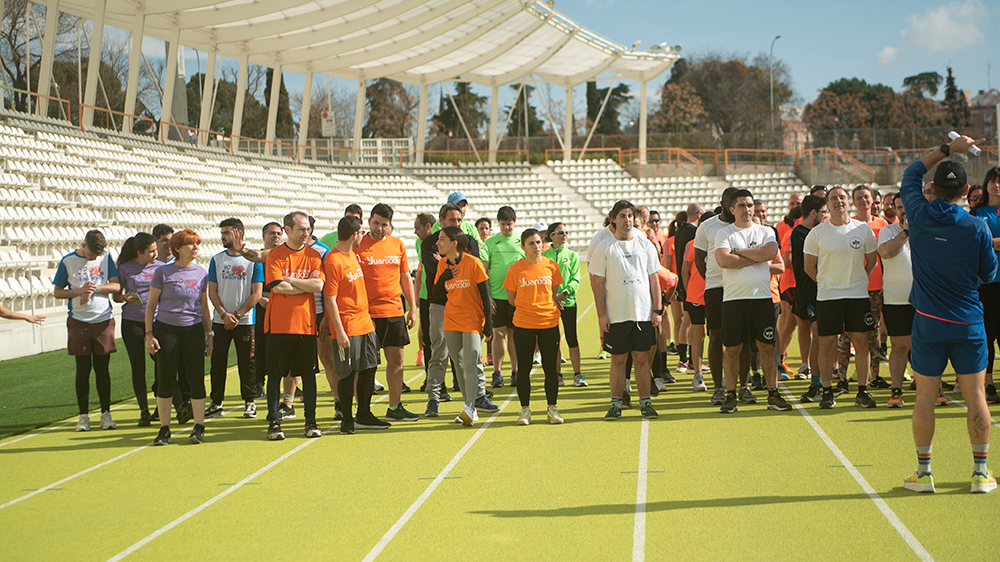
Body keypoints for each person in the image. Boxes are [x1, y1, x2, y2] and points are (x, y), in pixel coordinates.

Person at [899, 134, 996, 494]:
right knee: (976, 396)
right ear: (967, 189)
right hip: (969, 321)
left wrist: (946, 149)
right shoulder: (977, 227)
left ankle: (924, 474)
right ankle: (980, 473)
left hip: (929, 321)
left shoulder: (919, 213)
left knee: (925, 395)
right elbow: (988, 273)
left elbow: (910, 173)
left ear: (933, 189)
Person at [803, 186, 878, 409]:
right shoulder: (817, 233)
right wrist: (826, 284)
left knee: (862, 344)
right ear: (827, 203)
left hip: (857, 296)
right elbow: (809, 267)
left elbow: (872, 261)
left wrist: (858, 281)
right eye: (833, 198)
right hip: (828, 298)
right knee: (826, 344)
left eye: (842, 197)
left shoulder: (863, 229)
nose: (838, 201)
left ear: (849, 202)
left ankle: (862, 391)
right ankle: (827, 391)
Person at [714, 190, 790, 413]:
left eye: (750, 205)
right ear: (732, 209)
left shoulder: (766, 231)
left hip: (762, 299)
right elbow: (724, 260)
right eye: (741, 205)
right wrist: (756, 256)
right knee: (733, 349)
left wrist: (739, 253)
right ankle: (730, 396)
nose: (747, 209)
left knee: (767, 347)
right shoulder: (724, 233)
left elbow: (770, 253)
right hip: (734, 300)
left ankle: (773, 394)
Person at [422, 203, 496, 417]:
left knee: (473, 360)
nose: (457, 223)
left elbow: (480, 285)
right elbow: (435, 284)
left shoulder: (470, 251)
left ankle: (475, 401)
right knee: (446, 356)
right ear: (441, 220)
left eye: (459, 219)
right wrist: (445, 274)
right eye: (453, 219)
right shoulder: (433, 249)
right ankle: (439, 398)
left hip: (470, 312)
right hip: (445, 311)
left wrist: (488, 322)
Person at [590, 200, 661, 420]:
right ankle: (616, 404)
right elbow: (597, 283)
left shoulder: (645, 244)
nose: (627, 220)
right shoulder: (604, 246)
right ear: (613, 219)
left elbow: (654, 279)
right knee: (618, 360)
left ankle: (645, 403)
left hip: (642, 313)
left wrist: (657, 309)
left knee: (642, 359)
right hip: (616, 314)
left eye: (630, 216)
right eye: (622, 216)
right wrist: (602, 315)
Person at [144, 229, 211, 445]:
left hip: (193, 330)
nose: (195, 248)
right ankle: (164, 428)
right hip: (167, 330)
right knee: (165, 379)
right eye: (191, 244)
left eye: (197, 244)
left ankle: (199, 426)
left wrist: (209, 334)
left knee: (196, 378)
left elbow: (203, 306)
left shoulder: (201, 273)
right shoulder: (163, 273)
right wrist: (149, 334)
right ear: (178, 248)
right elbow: (151, 305)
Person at [263, 212, 325, 441]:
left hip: (306, 325)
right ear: (287, 230)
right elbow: (277, 287)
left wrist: (292, 280)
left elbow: (318, 284)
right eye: (300, 229)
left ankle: (311, 421)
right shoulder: (275, 255)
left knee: (308, 376)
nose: (305, 233)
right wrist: (304, 285)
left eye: (307, 228)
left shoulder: (313, 255)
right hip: (278, 325)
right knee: (275, 376)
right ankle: (274, 422)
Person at [354, 203, 419, 422]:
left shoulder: (398, 245)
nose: (379, 228)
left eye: (384, 224)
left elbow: (405, 278)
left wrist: (412, 308)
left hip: (394, 312)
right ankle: (363, 410)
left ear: (390, 225)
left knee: (397, 360)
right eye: (375, 223)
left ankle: (395, 406)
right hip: (367, 314)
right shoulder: (358, 245)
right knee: (366, 365)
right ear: (368, 221)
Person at [53, 230, 121, 432]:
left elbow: (116, 285)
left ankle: (105, 414)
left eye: (97, 256)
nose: (94, 259)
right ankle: (83, 416)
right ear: (84, 246)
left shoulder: (106, 257)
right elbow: (57, 292)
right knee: (83, 370)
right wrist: (80, 290)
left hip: (103, 320)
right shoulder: (68, 261)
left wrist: (95, 289)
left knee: (103, 370)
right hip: (78, 321)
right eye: (92, 255)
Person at [325, 215, 386, 433]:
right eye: (361, 232)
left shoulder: (352, 255)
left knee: (369, 368)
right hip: (348, 327)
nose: (363, 235)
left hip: (366, 324)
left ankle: (364, 414)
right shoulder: (333, 260)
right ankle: (347, 419)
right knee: (347, 374)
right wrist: (339, 332)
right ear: (354, 234)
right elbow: (330, 298)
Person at [695, 188, 753, 406]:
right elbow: (699, 258)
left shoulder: (747, 226)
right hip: (717, 289)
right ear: (724, 204)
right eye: (732, 203)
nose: (734, 207)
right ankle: (718, 387)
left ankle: (744, 386)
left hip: (741, 287)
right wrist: (712, 280)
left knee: (744, 339)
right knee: (717, 336)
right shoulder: (707, 226)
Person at [504, 228, 566, 425]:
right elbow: (512, 299)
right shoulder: (515, 269)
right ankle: (525, 411)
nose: (536, 246)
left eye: (538, 242)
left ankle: (552, 409)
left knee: (550, 368)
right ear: (523, 247)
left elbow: (553, 293)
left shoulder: (552, 266)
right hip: (523, 323)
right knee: (524, 368)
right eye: (531, 243)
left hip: (549, 322)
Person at [434, 226, 493, 426]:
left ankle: (470, 406)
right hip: (451, 319)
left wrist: (489, 325)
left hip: (472, 319)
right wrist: (444, 278)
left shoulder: (474, 263)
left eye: (442, 239)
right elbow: (437, 296)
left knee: (470, 362)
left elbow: (485, 295)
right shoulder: (442, 264)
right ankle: (468, 406)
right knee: (458, 364)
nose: (438, 243)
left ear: (454, 243)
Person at [206, 218, 263, 420]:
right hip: (221, 321)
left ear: (239, 233)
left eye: (227, 232)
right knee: (217, 362)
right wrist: (223, 314)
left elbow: (256, 293)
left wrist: (237, 315)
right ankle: (216, 402)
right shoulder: (217, 259)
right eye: (222, 233)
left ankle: (249, 401)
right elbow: (212, 292)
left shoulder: (252, 260)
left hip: (245, 321)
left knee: (247, 362)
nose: (223, 236)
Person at [833, 186, 889, 390]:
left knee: (872, 334)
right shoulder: (851, 225)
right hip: (853, 289)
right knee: (846, 335)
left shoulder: (884, 225)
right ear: (853, 202)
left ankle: (874, 376)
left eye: (867, 197)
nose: (863, 200)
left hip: (875, 290)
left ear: (874, 200)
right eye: (859, 198)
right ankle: (842, 378)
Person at [114, 232, 161, 426]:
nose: (155, 255)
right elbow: (116, 296)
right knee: (138, 366)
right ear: (139, 253)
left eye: (156, 250)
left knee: (161, 364)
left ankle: (161, 405)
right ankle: (144, 411)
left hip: (157, 321)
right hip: (132, 321)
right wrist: (125, 298)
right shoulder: (125, 268)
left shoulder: (161, 267)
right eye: (151, 251)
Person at [877, 194, 913, 408]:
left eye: (906, 206)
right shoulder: (887, 231)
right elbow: (886, 252)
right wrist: (906, 232)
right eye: (899, 207)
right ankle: (896, 390)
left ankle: (933, 388)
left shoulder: (927, 229)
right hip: (896, 300)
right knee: (900, 346)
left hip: (925, 298)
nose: (902, 210)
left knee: (927, 345)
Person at [792, 195, 828, 403]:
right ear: (813, 213)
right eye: (823, 212)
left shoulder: (818, 232)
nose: (826, 216)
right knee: (818, 337)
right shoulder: (800, 233)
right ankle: (816, 384)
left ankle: (827, 380)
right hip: (811, 292)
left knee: (826, 338)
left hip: (825, 291)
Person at [484, 206, 524, 388]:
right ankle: (497, 373)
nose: (506, 228)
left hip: (517, 297)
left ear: (514, 223)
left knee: (514, 335)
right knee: (498, 334)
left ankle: (515, 372)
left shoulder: (522, 242)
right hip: (497, 296)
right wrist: (488, 297)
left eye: (509, 224)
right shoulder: (491, 243)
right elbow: (484, 272)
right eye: (503, 224)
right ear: (498, 224)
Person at [971, 167, 1000, 404]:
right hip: (987, 284)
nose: (996, 185)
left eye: (999, 182)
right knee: (987, 334)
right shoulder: (977, 212)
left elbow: (988, 242)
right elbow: (978, 243)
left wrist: (991, 243)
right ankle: (988, 383)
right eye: (992, 181)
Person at [543, 222, 585, 387]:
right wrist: (553, 297)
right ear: (551, 235)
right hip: (550, 304)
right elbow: (543, 280)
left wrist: (563, 294)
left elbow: (575, 279)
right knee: (553, 340)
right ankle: (557, 375)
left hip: (568, 302)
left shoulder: (572, 256)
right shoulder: (545, 256)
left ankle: (578, 374)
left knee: (572, 338)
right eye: (560, 232)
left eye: (566, 232)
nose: (564, 234)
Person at [682, 211, 714, 390]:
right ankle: (697, 374)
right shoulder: (691, 245)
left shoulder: (721, 244)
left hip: (716, 294)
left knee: (717, 335)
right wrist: (689, 292)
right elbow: (684, 270)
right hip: (696, 296)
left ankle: (719, 373)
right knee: (698, 335)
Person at [250, 222, 282, 398]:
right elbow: (251, 285)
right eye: (272, 233)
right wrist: (261, 299)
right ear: (264, 235)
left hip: (281, 305)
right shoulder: (256, 259)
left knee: (281, 345)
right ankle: (258, 381)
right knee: (261, 345)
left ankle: (287, 382)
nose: (275, 236)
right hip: (262, 306)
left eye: (278, 233)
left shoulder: (283, 257)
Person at [413, 213, 435, 374]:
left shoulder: (441, 240)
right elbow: (421, 270)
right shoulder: (418, 243)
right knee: (427, 338)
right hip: (426, 296)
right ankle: (430, 376)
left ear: (428, 227)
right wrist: (417, 294)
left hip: (443, 296)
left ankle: (456, 379)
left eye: (417, 228)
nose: (415, 232)